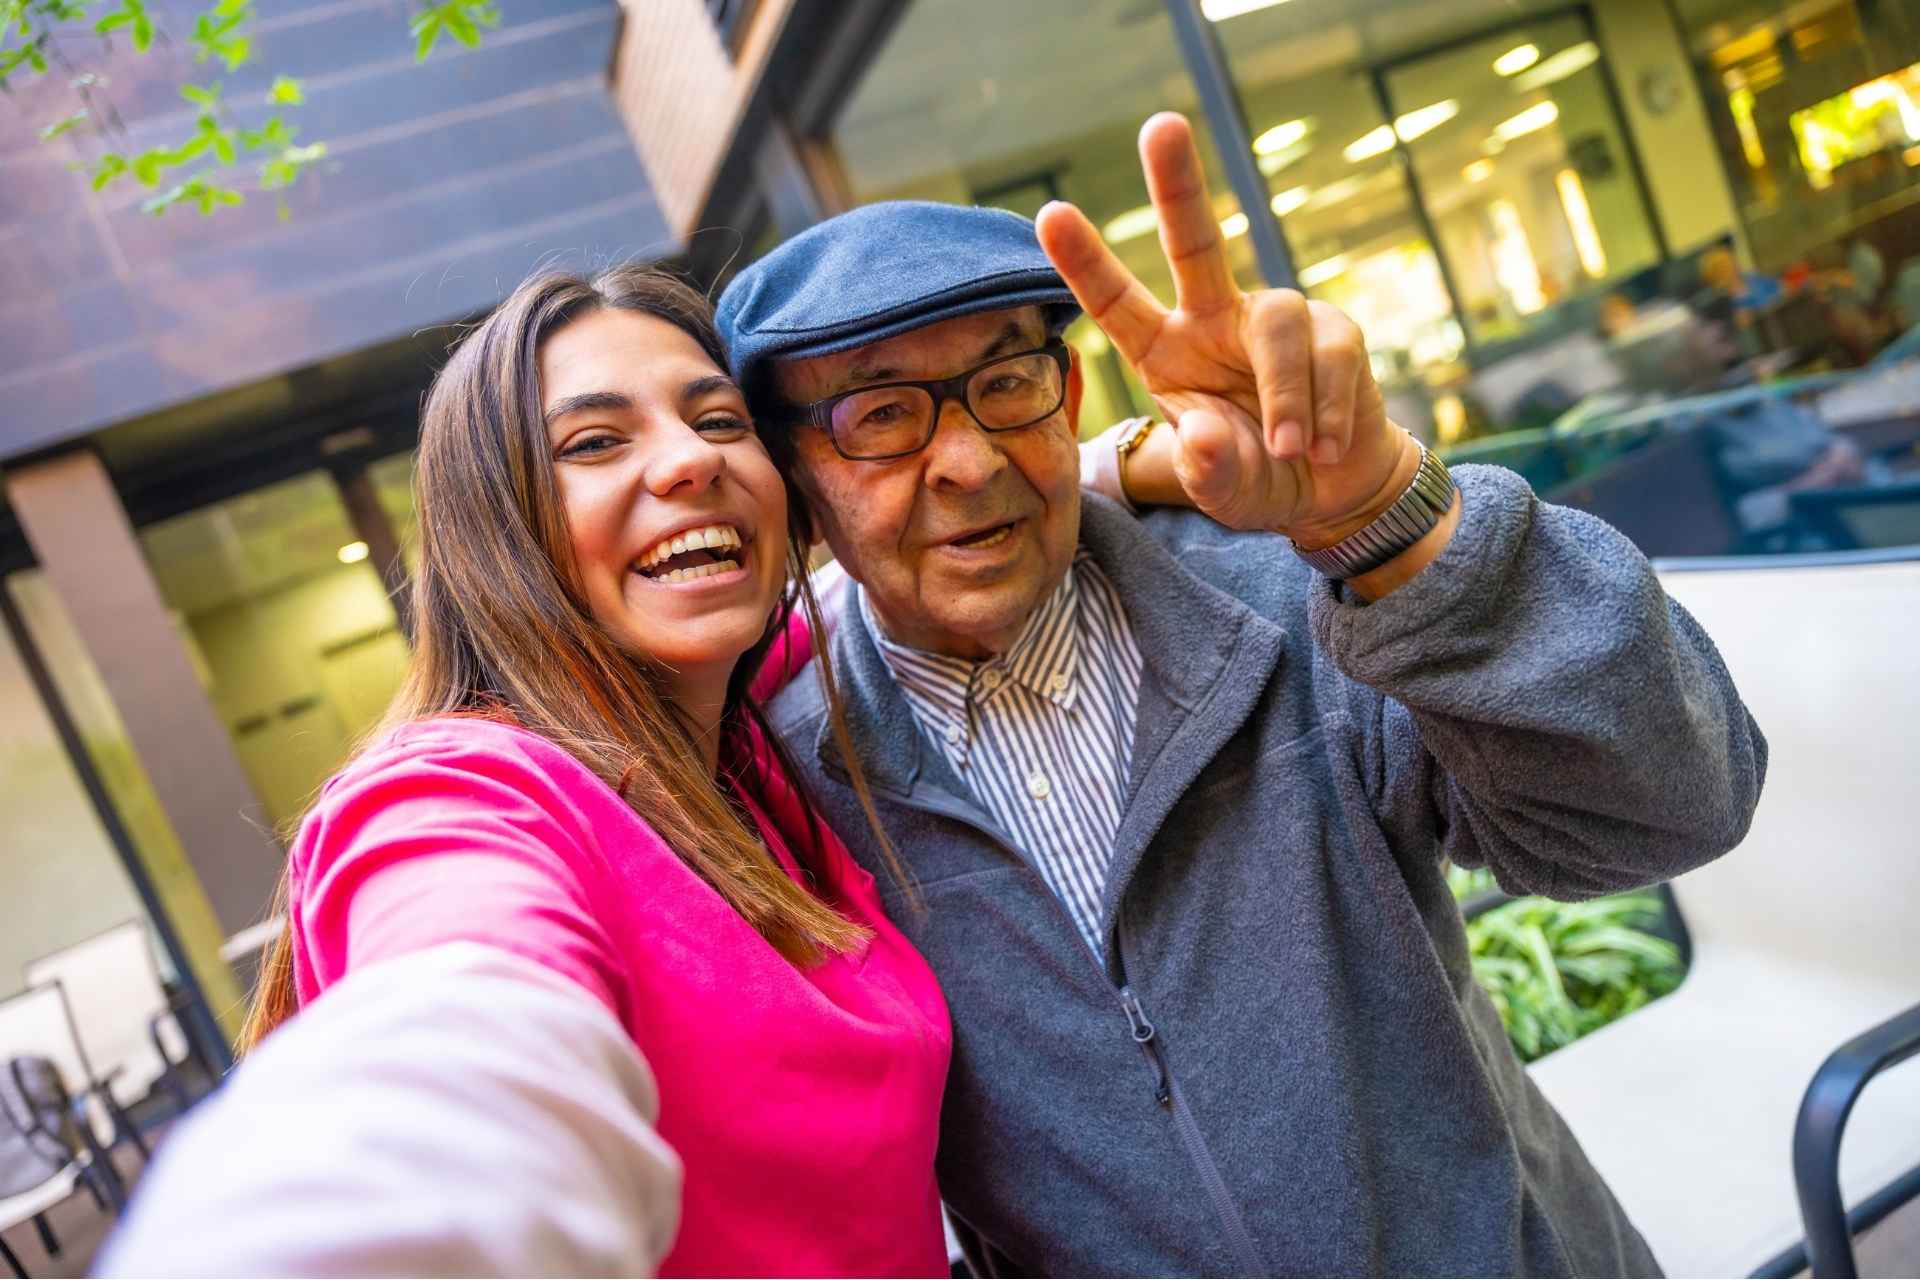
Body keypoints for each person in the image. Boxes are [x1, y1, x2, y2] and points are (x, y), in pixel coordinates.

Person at [97, 131, 1367, 1275]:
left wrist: (1131, 461)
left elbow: (925, 513)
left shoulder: (747, 736)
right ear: (496, 526)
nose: (690, 457)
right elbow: (464, 1037)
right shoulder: (469, 793)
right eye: (594, 442)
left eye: (716, 419)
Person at [719, 113, 1767, 1276]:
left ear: (1067, 400)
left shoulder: (1290, 604)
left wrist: (1392, 519)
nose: (969, 460)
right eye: (880, 414)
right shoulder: (792, 788)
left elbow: (1675, 805)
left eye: (1005, 382)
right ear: (795, 476)